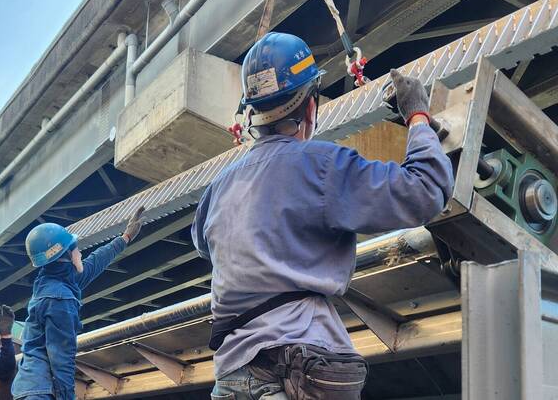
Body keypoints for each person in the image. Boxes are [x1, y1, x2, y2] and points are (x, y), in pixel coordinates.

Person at [191, 32, 454, 399]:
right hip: (303, 365)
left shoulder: (218, 187)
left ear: (253, 112)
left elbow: (204, 244)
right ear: (310, 107)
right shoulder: (323, 166)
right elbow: (426, 191)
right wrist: (418, 117)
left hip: (233, 375)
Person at [10, 208, 145, 400]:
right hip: (42, 392)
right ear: (66, 254)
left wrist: (124, 238)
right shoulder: (60, 299)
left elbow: (94, 263)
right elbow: (61, 358)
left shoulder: (51, 282)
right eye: (76, 247)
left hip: (31, 386)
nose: (80, 252)